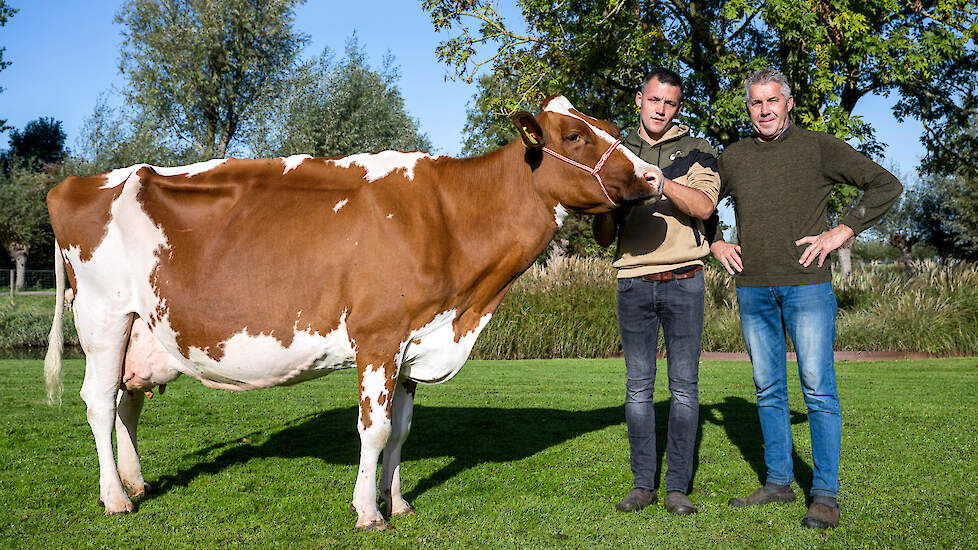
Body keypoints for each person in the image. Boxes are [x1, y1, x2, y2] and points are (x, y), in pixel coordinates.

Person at [707, 68, 902, 529]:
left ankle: (825, 495)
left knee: (817, 389)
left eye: (772, 101)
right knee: (768, 389)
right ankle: (777, 483)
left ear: (789, 103)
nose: (764, 110)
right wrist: (716, 239)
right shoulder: (732, 157)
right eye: (756, 103)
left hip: (808, 287)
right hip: (752, 286)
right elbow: (700, 203)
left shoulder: (819, 147)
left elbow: (886, 184)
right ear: (749, 107)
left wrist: (843, 230)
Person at [593, 68, 720, 516]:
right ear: (638, 100)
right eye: (654, 100)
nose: (660, 109)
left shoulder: (698, 149)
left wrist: (661, 182)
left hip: (685, 279)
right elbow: (605, 236)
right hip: (632, 282)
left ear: (677, 107)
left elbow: (705, 206)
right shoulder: (614, 149)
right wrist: (610, 204)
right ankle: (642, 484)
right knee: (638, 390)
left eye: (669, 103)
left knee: (684, 389)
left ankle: (677, 488)